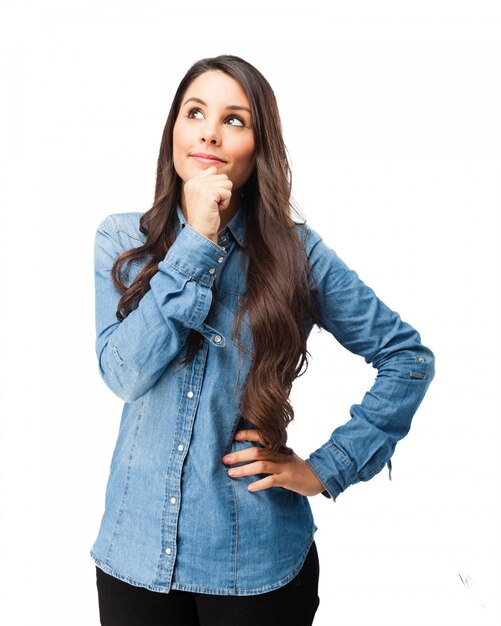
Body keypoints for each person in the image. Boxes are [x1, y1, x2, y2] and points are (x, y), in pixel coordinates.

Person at [90, 54, 435, 626]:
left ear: (258, 145)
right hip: (133, 557)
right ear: (173, 130)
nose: (208, 130)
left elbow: (407, 359)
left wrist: (328, 468)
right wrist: (194, 243)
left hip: (255, 568)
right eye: (194, 112)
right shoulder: (123, 240)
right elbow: (123, 374)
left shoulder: (299, 255)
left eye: (235, 119)